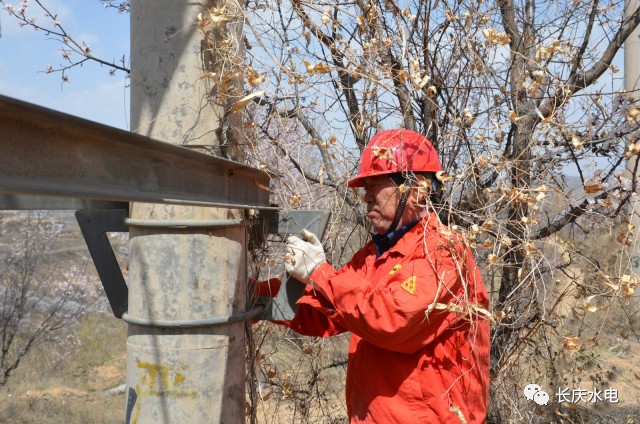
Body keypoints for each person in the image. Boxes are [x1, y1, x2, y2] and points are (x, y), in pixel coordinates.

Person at [279, 129, 490, 423]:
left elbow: (391, 321)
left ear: (416, 189)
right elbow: (331, 312)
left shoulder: (443, 252)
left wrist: (319, 272)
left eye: (374, 186)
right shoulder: (373, 255)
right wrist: (259, 294)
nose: (366, 197)